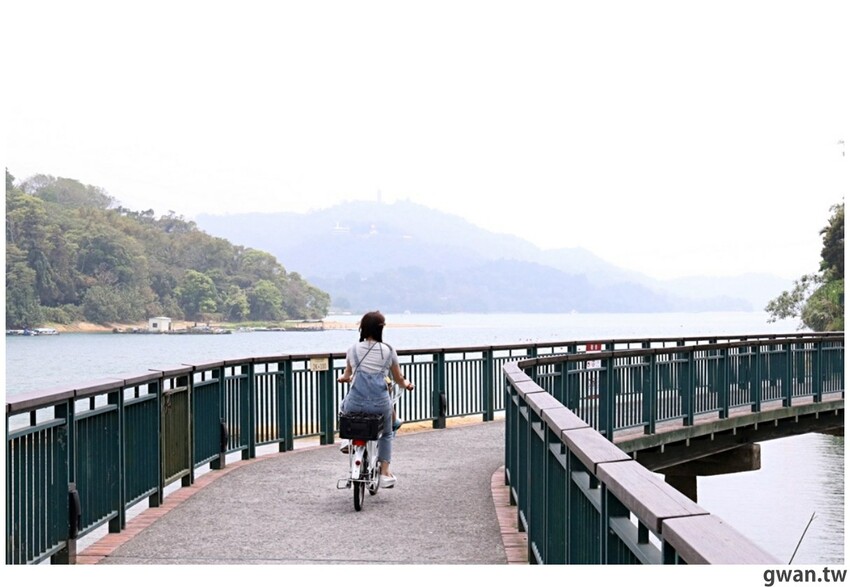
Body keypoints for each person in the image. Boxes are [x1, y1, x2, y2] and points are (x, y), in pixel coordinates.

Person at [338, 310, 414, 489]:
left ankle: (345, 440)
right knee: (386, 433)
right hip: (380, 405)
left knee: (344, 407)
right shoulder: (388, 351)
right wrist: (408, 384)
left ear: (362, 329)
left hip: (355, 403)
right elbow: (398, 379)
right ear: (381, 329)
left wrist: (342, 378)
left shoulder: (353, 350)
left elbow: (347, 374)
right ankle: (385, 472)